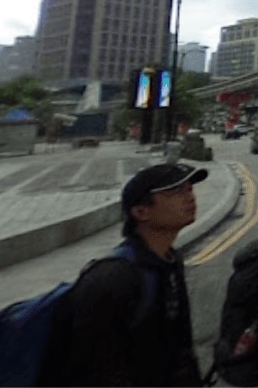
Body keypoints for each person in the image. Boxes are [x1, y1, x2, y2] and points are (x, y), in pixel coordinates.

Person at [52, 163, 207, 386]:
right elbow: (94, 369)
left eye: (189, 189)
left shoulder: (170, 261)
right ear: (141, 212)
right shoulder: (112, 278)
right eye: (175, 192)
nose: (190, 197)